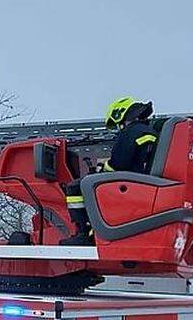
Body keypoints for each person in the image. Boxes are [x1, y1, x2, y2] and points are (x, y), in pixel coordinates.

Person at [62, 98, 158, 245]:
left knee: (75, 188)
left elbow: (117, 165)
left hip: (130, 182)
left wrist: (101, 170)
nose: (119, 128)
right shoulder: (149, 131)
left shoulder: (130, 132)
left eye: (118, 125)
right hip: (140, 181)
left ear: (122, 115)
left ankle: (83, 234)